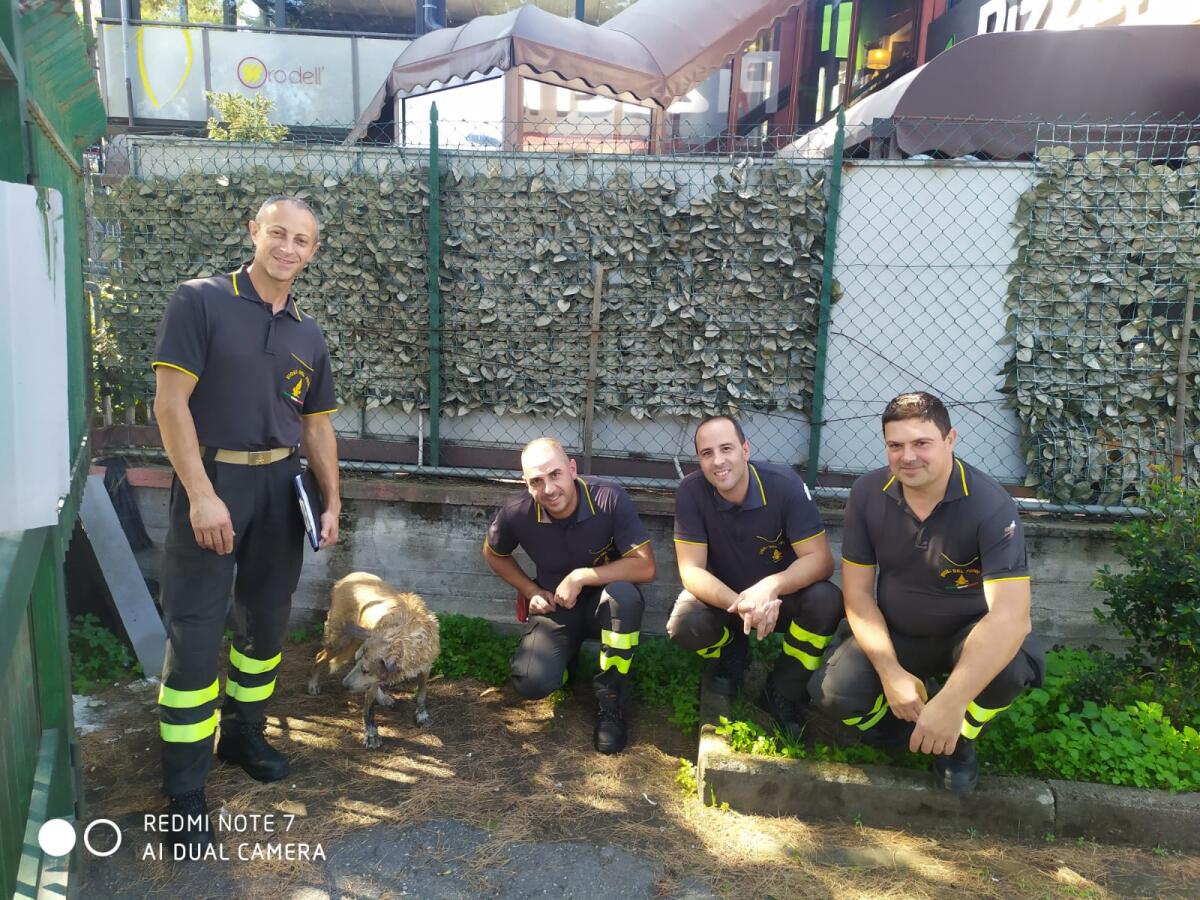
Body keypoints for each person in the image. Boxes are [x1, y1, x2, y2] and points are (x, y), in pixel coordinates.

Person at [151, 196, 340, 854]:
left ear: (313, 252)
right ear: (254, 232)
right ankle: (182, 791)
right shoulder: (199, 301)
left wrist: (333, 499)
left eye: (303, 240)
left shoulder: (308, 334)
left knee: (264, 626)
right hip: (215, 481)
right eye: (279, 233)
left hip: (282, 486)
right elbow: (170, 402)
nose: (289, 247)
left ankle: (243, 735)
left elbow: (316, 425)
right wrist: (201, 495)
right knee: (197, 635)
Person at [808, 392, 1045, 792]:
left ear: (950, 440)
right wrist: (889, 671)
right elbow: (859, 596)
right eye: (895, 445)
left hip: (968, 636)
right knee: (833, 693)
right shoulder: (867, 494)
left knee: (1007, 670)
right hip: (899, 635)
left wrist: (952, 701)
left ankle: (958, 741)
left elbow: (1011, 616)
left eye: (922, 443)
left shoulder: (989, 505)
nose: (907, 457)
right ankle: (906, 737)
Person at [667, 415, 843, 738]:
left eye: (726, 448)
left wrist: (770, 587)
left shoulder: (784, 486)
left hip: (778, 601)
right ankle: (732, 652)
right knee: (683, 624)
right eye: (707, 453)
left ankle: (782, 689)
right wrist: (741, 603)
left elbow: (821, 561)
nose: (718, 461)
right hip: (726, 601)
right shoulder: (691, 492)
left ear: (745, 450)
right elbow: (691, 570)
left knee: (827, 601)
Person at [483, 438, 655, 754]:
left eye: (555, 474)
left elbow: (645, 568)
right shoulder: (516, 512)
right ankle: (565, 661)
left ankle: (611, 701)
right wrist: (530, 590)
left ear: (572, 469)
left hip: (607, 605)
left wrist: (582, 576)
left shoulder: (608, 498)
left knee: (624, 599)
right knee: (531, 682)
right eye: (537, 481)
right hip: (558, 609)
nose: (548, 488)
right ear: (527, 484)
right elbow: (493, 554)